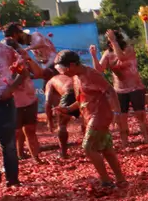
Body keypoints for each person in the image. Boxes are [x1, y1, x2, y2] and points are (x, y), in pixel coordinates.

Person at [54, 50, 126, 188]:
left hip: (100, 114)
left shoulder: (91, 74)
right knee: (106, 149)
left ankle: (106, 181)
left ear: (72, 64)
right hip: (89, 115)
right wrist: (68, 109)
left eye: (63, 69)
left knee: (88, 147)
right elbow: (82, 99)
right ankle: (120, 179)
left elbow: (110, 91)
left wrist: (117, 113)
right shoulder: (76, 77)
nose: (62, 73)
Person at [95, 29, 148, 145]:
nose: (110, 43)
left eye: (112, 40)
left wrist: (114, 41)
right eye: (109, 41)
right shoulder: (108, 53)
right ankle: (125, 141)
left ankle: (146, 138)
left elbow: (121, 57)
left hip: (135, 87)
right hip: (119, 89)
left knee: (140, 114)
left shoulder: (128, 49)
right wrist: (93, 55)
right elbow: (99, 69)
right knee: (122, 117)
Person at [7, 43, 43, 162]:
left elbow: (38, 73)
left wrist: (28, 59)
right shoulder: (3, 66)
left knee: (30, 130)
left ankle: (36, 157)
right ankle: (13, 161)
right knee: (15, 133)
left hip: (30, 102)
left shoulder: (25, 63)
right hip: (14, 104)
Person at [0, 39, 26, 186]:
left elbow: (23, 71)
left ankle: (12, 180)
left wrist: (11, 89)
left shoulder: (7, 51)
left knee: (8, 144)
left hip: (4, 103)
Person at [45, 71, 82, 158]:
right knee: (86, 120)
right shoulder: (67, 76)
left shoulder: (50, 81)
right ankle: (92, 148)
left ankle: (63, 153)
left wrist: (49, 122)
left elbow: (47, 103)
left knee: (62, 124)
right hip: (80, 91)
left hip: (69, 92)